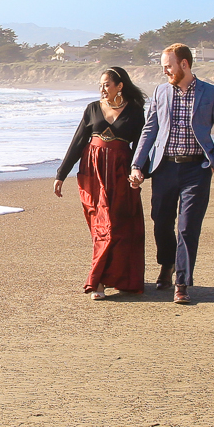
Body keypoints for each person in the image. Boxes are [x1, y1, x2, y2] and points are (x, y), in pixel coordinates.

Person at [128, 43, 214, 304]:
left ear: (184, 64)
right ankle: (167, 264)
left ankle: (182, 283)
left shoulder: (211, 93)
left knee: (188, 227)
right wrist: (137, 165)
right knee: (161, 221)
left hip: (197, 169)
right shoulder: (161, 91)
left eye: (168, 66)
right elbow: (149, 130)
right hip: (164, 167)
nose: (164, 71)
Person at [54, 67, 147, 298]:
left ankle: (120, 278)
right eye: (100, 85)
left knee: (121, 225)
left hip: (121, 172)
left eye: (106, 84)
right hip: (93, 172)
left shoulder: (135, 111)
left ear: (119, 86)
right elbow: (78, 142)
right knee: (102, 225)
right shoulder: (92, 109)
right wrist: (61, 174)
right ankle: (98, 282)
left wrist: (139, 171)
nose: (102, 89)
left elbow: (142, 145)